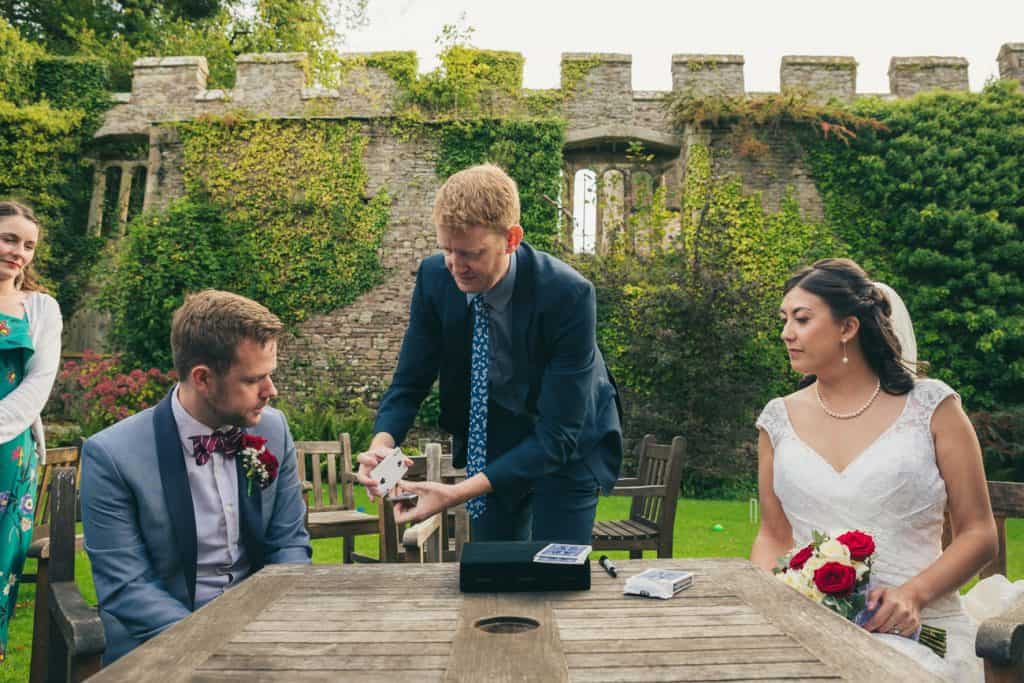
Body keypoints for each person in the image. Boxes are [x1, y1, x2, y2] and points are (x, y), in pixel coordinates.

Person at [751, 258, 998, 682]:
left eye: (802, 319)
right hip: (807, 629)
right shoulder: (777, 420)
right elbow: (773, 534)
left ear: (848, 328)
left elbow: (979, 532)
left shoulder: (933, 407)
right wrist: (766, 609)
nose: (786, 333)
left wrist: (912, 596)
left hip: (920, 629)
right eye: (785, 319)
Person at [356, 164, 623, 544]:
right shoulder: (435, 278)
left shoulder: (568, 295)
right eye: (446, 249)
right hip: (497, 440)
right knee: (492, 570)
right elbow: (409, 382)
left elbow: (558, 435)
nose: (455, 266)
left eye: (471, 254)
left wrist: (455, 494)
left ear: (511, 239)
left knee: (556, 574)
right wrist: (381, 445)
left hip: (570, 445)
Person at [81, 290, 311, 664]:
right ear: (202, 378)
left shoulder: (273, 429)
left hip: (261, 642)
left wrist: (270, 631)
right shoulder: (111, 456)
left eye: (271, 375)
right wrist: (218, 648)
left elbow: (289, 543)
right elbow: (127, 588)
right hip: (156, 650)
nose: (272, 391)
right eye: (254, 380)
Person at [0, 200, 62, 662]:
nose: (18, 252)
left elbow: (38, 384)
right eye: (8, 239)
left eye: (28, 245)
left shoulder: (41, 309)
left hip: (9, 458)